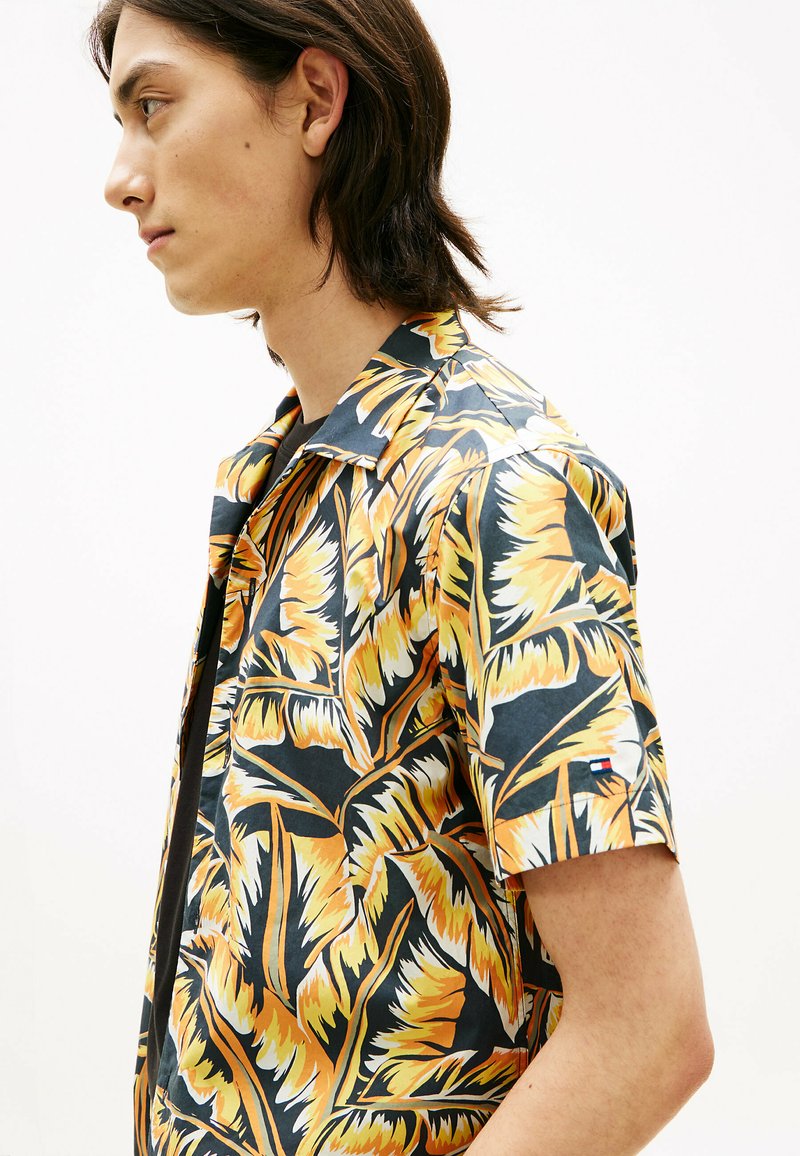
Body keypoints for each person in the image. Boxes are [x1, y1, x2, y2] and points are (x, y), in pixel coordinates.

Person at [90, 2, 714, 1153]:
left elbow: (645, 1031)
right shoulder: (277, 482)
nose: (121, 179)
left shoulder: (498, 483)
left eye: (155, 105)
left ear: (314, 102)